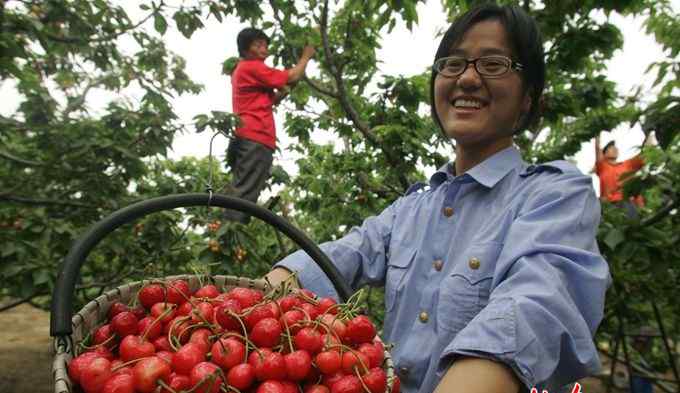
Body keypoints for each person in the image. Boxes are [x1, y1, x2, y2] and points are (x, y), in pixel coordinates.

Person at [266, 4, 610, 393]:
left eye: (493, 64)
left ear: (528, 97)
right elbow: (343, 256)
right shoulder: (410, 210)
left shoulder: (555, 195)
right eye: (452, 64)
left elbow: (538, 303)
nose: (466, 79)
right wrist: (251, 302)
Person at [223, 27, 315, 223]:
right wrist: (306, 56)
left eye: (265, 45)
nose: (264, 49)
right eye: (258, 45)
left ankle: (231, 237)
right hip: (255, 135)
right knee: (244, 194)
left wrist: (286, 87)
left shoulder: (248, 71)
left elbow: (273, 97)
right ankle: (229, 239)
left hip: (251, 136)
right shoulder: (251, 67)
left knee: (245, 190)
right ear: (246, 50)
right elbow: (291, 77)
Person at [593, 133, 651, 217]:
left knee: (631, 226)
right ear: (604, 154)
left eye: (615, 147)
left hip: (628, 202)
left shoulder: (628, 164)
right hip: (609, 205)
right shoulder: (602, 166)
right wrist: (596, 133)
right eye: (610, 148)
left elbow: (646, 153)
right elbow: (597, 148)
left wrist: (650, 133)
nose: (614, 149)